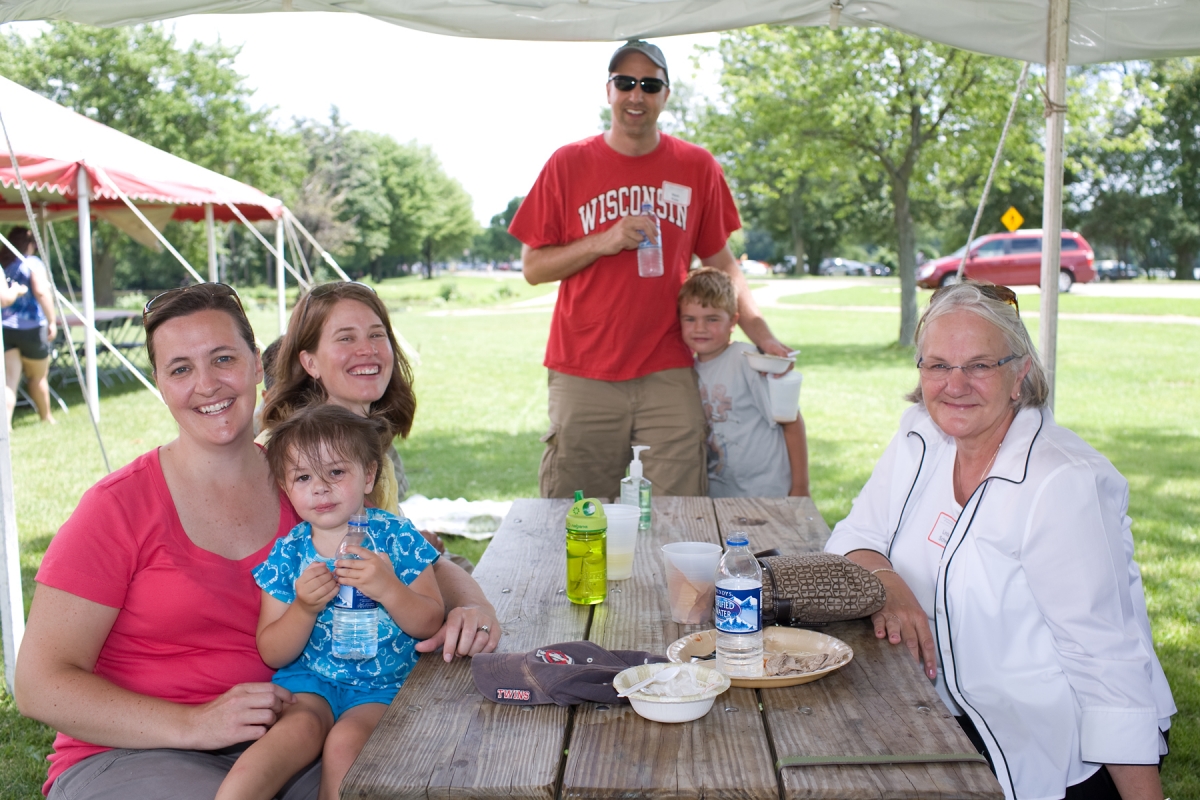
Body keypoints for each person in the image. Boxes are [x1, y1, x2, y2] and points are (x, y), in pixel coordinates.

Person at [13, 283, 493, 799]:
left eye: (223, 358)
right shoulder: (117, 508)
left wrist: (474, 607)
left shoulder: (308, 484)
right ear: (160, 384)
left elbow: (411, 556)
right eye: (180, 369)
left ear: (257, 366)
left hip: (294, 734)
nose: (207, 384)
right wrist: (193, 724)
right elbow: (40, 684)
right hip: (135, 752)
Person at [823, 282, 1174, 800]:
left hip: (1053, 753)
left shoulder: (1062, 481)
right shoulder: (920, 435)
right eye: (937, 365)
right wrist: (888, 582)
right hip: (944, 718)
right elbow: (854, 535)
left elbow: (1103, 658)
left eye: (980, 365)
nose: (954, 384)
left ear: (1020, 375)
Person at [509, 39, 790, 500]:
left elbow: (722, 264)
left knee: (678, 511)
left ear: (665, 94)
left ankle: (671, 578)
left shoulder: (696, 166)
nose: (636, 95)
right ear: (609, 91)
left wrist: (762, 334)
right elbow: (534, 268)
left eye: (649, 84)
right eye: (625, 83)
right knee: (577, 511)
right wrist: (607, 240)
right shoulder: (568, 163)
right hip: (585, 368)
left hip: (668, 367)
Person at [217, 404, 443, 800]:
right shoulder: (289, 553)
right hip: (310, 684)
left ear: (368, 474)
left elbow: (429, 622)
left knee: (344, 743)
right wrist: (303, 608)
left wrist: (389, 588)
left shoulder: (396, 536)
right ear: (286, 488)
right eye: (303, 476)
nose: (320, 487)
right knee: (290, 735)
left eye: (336, 472)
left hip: (382, 687)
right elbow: (272, 651)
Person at [262, 281, 490, 643]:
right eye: (346, 338)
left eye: (376, 334)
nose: (367, 350)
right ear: (310, 362)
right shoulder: (296, 455)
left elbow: (411, 552)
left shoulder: (366, 442)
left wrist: (477, 606)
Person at [678, 267, 809, 497]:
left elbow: (790, 420)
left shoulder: (747, 362)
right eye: (690, 319)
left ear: (733, 321)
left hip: (767, 493)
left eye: (712, 319)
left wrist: (800, 486)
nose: (700, 328)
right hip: (720, 494)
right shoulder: (688, 370)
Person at [2, 226, 58, 427]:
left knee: (9, 380)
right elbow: (41, 291)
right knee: (37, 377)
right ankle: (46, 417)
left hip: (6, 329)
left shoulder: (5, 265)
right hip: (32, 327)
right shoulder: (32, 262)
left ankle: (6, 425)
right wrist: (52, 320)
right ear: (30, 245)